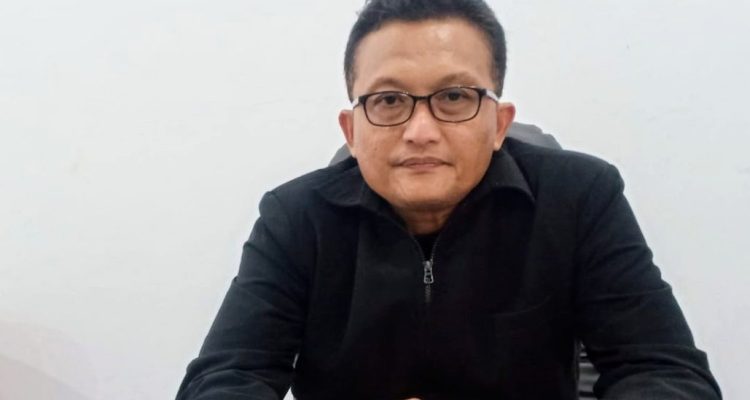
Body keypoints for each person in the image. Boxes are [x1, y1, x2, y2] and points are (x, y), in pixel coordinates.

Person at [176, 0, 722, 399]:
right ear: (351, 130)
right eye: (389, 100)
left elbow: (665, 372)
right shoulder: (295, 217)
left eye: (455, 96)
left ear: (499, 123)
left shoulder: (580, 197)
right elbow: (227, 376)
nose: (420, 131)